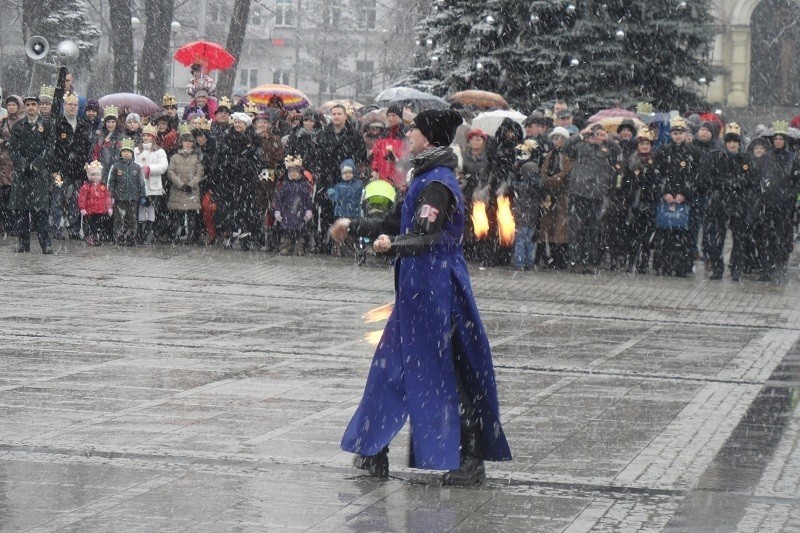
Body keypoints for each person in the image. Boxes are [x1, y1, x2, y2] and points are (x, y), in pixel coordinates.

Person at [331, 109, 512, 485]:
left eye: (413, 129)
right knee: (390, 367)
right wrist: (355, 226)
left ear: (428, 136)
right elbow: (397, 220)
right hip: (416, 289)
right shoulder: (425, 176)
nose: (408, 134)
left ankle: (469, 460)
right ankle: (371, 450)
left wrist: (395, 243)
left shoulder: (438, 184)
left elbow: (428, 235)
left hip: (438, 289)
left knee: (447, 372)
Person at [564, 123, 622, 274]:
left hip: (597, 195)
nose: (596, 137)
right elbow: (566, 147)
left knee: (593, 231)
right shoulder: (580, 147)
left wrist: (607, 138)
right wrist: (581, 134)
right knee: (577, 229)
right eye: (594, 134)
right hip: (579, 193)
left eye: (599, 133)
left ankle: (590, 262)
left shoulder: (607, 148)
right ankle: (575, 261)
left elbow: (619, 152)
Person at [701, 123, 756, 281]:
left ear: (739, 144)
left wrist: (738, 183)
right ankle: (717, 268)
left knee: (739, 239)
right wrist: (724, 183)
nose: (732, 145)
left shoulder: (745, 159)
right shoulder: (715, 157)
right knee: (716, 239)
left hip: (739, 204)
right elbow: (706, 178)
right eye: (729, 141)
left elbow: (752, 179)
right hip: (719, 203)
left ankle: (736, 268)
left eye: (735, 142)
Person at [314, 104, 368, 252]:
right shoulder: (323, 133)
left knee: (347, 212)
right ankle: (327, 243)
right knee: (326, 210)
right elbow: (317, 154)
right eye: (334, 114)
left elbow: (361, 155)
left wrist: (351, 168)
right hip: (327, 176)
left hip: (347, 177)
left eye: (339, 114)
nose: (336, 116)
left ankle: (348, 243)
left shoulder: (354, 134)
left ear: (345, 116)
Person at [652, 117, 699, 277]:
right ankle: (664, 265)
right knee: (665, 235)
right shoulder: (663, 151)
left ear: (686, 134)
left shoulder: (693, 152)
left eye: (681, 133)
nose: (678, 136)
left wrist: (684, 194)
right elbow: (657, 174)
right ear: (671, 134)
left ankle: (682, 266)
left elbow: (695, 177)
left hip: (684, 201)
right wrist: (664, 192)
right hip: (667, 199)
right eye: (675, 133)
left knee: (684, 235)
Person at [753, 121, 800, 281]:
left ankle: (778, 266)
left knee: (782, 237)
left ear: (785, 140)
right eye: (776, 138)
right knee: (766, 236)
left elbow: (796, 182)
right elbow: (758, 177)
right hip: (767, 203)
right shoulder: (766, 157)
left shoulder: (792, 159)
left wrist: (790, 197)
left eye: (781, 138)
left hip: (785, 205)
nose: (778, 141)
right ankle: (766, 268)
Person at [8, 95, 55, 254]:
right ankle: (24, 243)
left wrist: (36, 165)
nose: (31, 107)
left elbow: (50, 148)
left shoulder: (47, 125)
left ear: (38, 106)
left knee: (41, 210)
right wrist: (23, 165)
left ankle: (45, 244)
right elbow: (12, 150)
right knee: (22, 210)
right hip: (22, 174)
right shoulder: (19, 126)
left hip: (39, 174)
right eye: (28, 104)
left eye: (34, 104)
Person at [215, 112, 261, 251]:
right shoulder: (227, 137)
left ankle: (245, 237)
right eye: (235, 122)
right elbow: (221, 158)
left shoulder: (254, 139)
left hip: (247, 180)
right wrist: (231, 163)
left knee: (246, 209)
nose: (237, 125)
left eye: (240, 123)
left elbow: (257, 160)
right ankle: (229, 235)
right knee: (230, 208)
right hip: (230, 180)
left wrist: (246, 164)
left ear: (246, 125)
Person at [51, 93, 92, 240]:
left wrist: (87, 162)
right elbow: (53, 149)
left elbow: (88, 147)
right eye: (70, 104)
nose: (73, 107)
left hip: (78, 170)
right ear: (64, 106)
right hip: (61, 170)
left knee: (75, 201)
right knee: (58, 199)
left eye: (75, 105)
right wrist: (54, 169)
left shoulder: (83, 125)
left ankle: (74, 228)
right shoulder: (58, 124)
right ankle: (56, 228)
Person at [626, 127, 660, 274]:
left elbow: (659, 180)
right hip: (635, 201)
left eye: (647, 144)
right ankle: (632, 261)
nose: (645, 147)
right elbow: (629, 182)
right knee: (633, 234)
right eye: (642, 144)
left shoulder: (656, 160)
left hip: (650, 200)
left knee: (648, 236)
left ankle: (644, 262)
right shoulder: (633, 160)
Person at [538, 127, 572, 269]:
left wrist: (552, 180)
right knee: (548, 226)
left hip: (563, 194)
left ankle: (560, 258)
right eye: (555, 138)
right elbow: (543, 170)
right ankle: (549, 256)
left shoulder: (568, 156)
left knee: (561, 227)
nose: (557, 141)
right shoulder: (550, 155)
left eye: (560, 139)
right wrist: (546, 180)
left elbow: (566, 173)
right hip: (549, 195)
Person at [507, 139, 542, 270]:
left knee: (522, 236)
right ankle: (528, 261)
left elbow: (526, 187)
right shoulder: (532, 166)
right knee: (527, 236)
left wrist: (513, 180)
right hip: (529, 207)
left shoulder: (528, 167)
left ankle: (520, 262)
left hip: (524, 207)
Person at [166, 130, 204, 243]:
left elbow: (200, 173)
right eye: (185, 141)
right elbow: (170, 171)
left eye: (190, 142)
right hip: (178, 190)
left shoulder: (197, 157)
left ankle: (191, 236)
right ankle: (176, 235)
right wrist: (181, 184)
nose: (187, 144)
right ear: (181, 142)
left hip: (192, 190)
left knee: (192, 214)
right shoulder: (175, 157)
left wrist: (191, 184)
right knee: (177, 214)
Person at [107, 138, 146, 246]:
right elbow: (111, 182)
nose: (126, 154)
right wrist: (110, 195)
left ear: (132, 154)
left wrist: (143, 195)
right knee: (119, 218)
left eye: (128, 152)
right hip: (119, 197)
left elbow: (141, 182)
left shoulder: (137, 168)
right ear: (121, 153)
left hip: (133, 197)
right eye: (124, 151)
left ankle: (132, 236)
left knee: (132, 218)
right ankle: (119, 236)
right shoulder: (116, 166)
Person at [135, 124, 169, 244]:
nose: (146, 138)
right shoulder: (136, 150)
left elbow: (163, 166)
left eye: (148, 136)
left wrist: (150, 169)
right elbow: (133, 164)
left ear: (153, 137)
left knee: (151, 209)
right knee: (140, 209)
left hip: (153, 186)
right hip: (139, 185)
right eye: (144, 135)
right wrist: (139, 170)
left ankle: (150, 232)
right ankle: (140, 231)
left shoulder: (159, 151)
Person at [274, 155, 313, 256]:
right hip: (286, 213)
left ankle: (299, 248)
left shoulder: (304, 186)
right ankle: (286, 247)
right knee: (286, 232)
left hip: (300, 213)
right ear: (288, 173)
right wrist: (277, 210)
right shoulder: (285, 185)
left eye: (296, 171)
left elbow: (308, 199)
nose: (294, 173)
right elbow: (279, 199)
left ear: (300, 173)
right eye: (292, 172)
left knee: (299, 233)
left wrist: (309, 210)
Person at [326, 160, 363, 257]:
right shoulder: (339, 186)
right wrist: (332, 193)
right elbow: (336, 197)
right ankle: (338, 248)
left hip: (353, 212)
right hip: (341, 212)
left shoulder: (358, 185)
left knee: (351, 232)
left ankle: (352, 248)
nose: (347, 175)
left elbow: (362, 196)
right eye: (345, 173)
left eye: (349, 172)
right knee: (340, 231)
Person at [0, 95, 24, 236]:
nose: (11, 107)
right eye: (9, 105)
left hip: (16, 162)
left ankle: (16, 225)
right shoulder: (3, 121)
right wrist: (4, 142)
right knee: (4, 196)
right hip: (4, 162)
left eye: (14, 105)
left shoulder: (23, 121)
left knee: (15, 196)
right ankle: (6, 225)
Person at [370, 104, 407, 189]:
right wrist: (374, 170)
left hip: (398, 178)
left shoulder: (405, 134)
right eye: (388, 115)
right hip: (382, 176)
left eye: (394, 115)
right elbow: (376, 155)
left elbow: (406, 159)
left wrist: (394, 155)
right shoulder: (384, 133)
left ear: (400, 117)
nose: (390, 118)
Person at [77, 161, 113, 246]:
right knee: (90, 225)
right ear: (89, 176)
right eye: (93, 175)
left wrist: (109, 208)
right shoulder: (86, 186)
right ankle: (90, 237)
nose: (95, 177)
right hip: (89, 210)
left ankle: (96, 237)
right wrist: (82, 208)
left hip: (100, 210)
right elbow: (82, 198)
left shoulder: (103, 186)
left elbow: (107, 197)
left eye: (97, 174)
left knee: (97, 225)